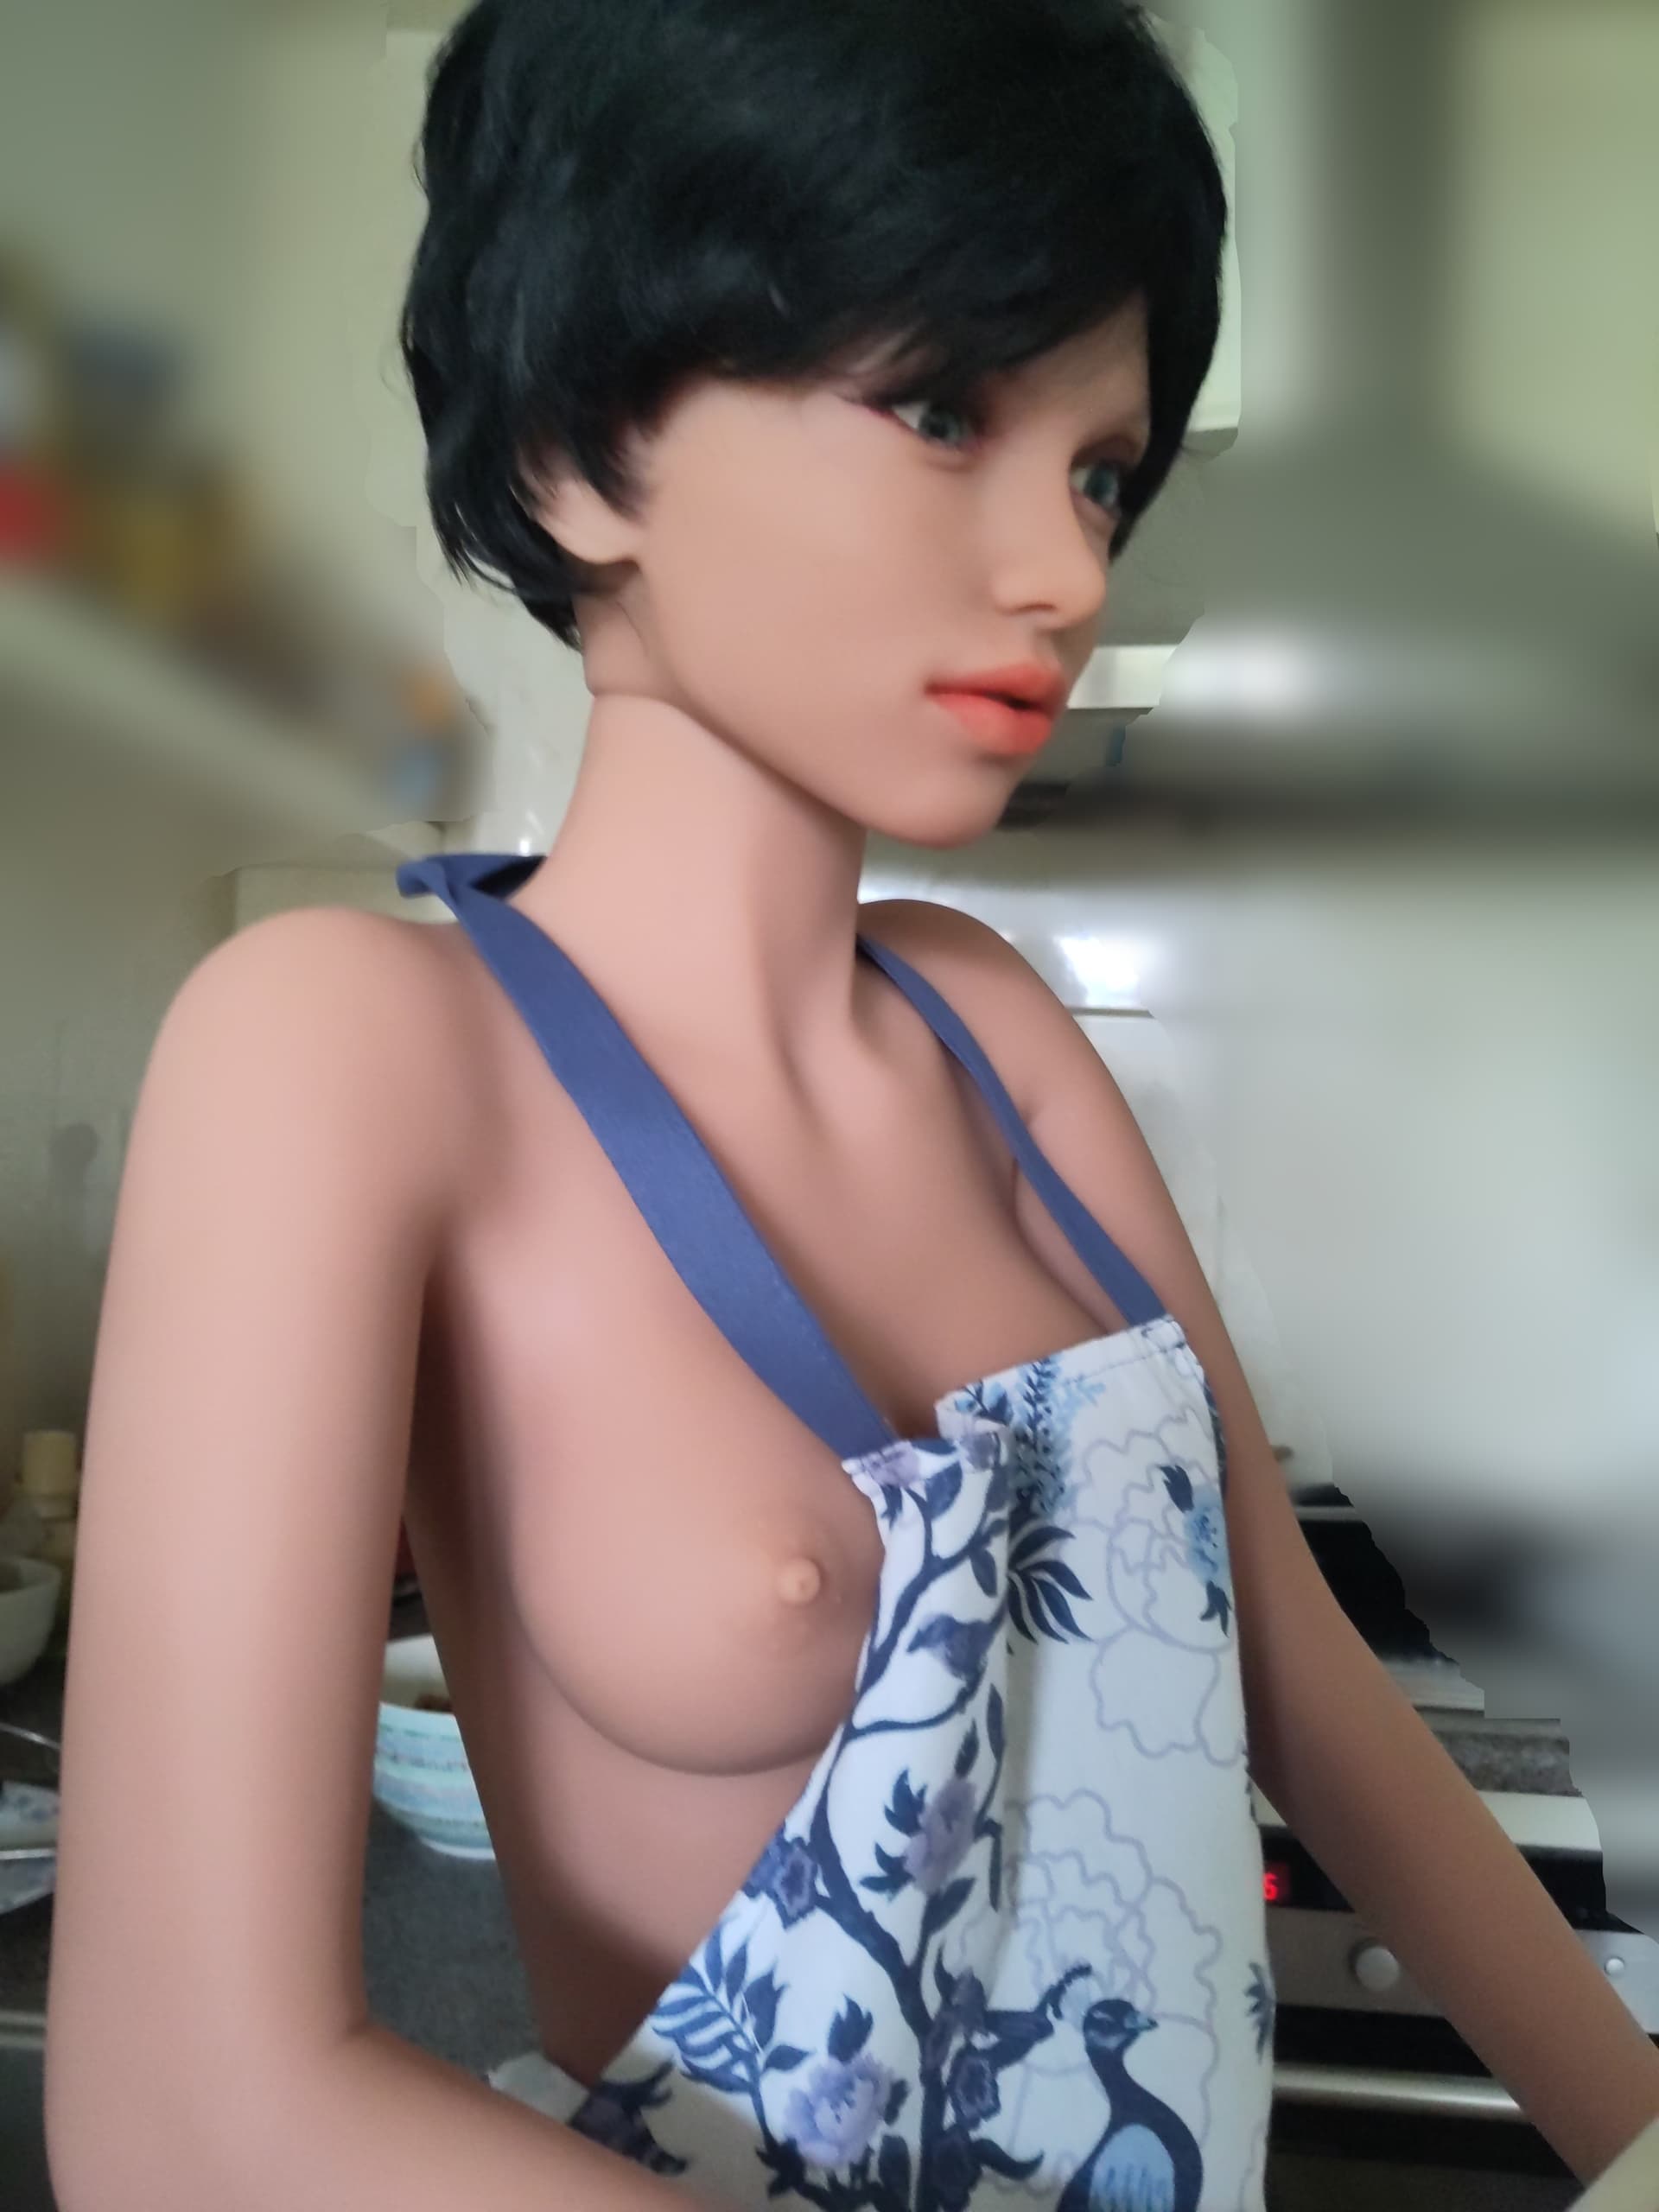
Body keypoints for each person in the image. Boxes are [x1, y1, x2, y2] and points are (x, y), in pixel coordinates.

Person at [44, 2, 1659, 2207]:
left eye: (1100, 470)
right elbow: (185, 2111)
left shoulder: (988, 1021)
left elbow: (1300, 1673)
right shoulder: (344, 1049)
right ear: (577, 449)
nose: (1069, 571)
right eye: (941, 408)